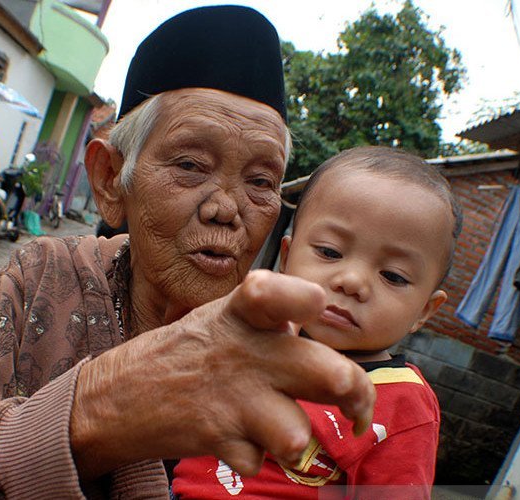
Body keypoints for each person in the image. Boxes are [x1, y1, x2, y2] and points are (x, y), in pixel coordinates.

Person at [0, 6, 375, 499]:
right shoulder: (43, 275)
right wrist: (97, 411)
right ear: (109, 178)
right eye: (191, 165)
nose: (226, 208)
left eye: (261, 181)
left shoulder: (300, 348)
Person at [172, 146, 463, 499]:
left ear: (424, 311)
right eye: (329, 252)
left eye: (393, 276)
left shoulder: (401, 405)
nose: (352, 282)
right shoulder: (248, 335)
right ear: (286, 256)